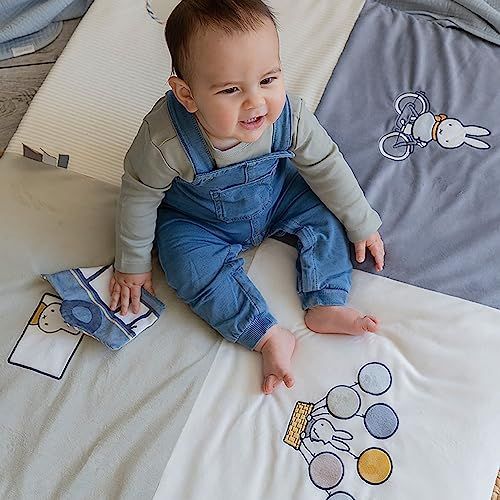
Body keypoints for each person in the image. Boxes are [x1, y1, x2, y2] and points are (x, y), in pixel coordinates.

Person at [110, 0, 385, 395]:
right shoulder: (165, 139)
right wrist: (132, 264)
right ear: (187, 95)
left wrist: (361, 221)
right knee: (183, 263)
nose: (256, 102)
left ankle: (327, 299)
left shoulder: (288, 117)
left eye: (268, 80)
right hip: (198, 220)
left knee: (328, 212)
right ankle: (267, 335)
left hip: (276, 194)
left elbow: (326, 164)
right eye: (231, 90)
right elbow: (138, 195)